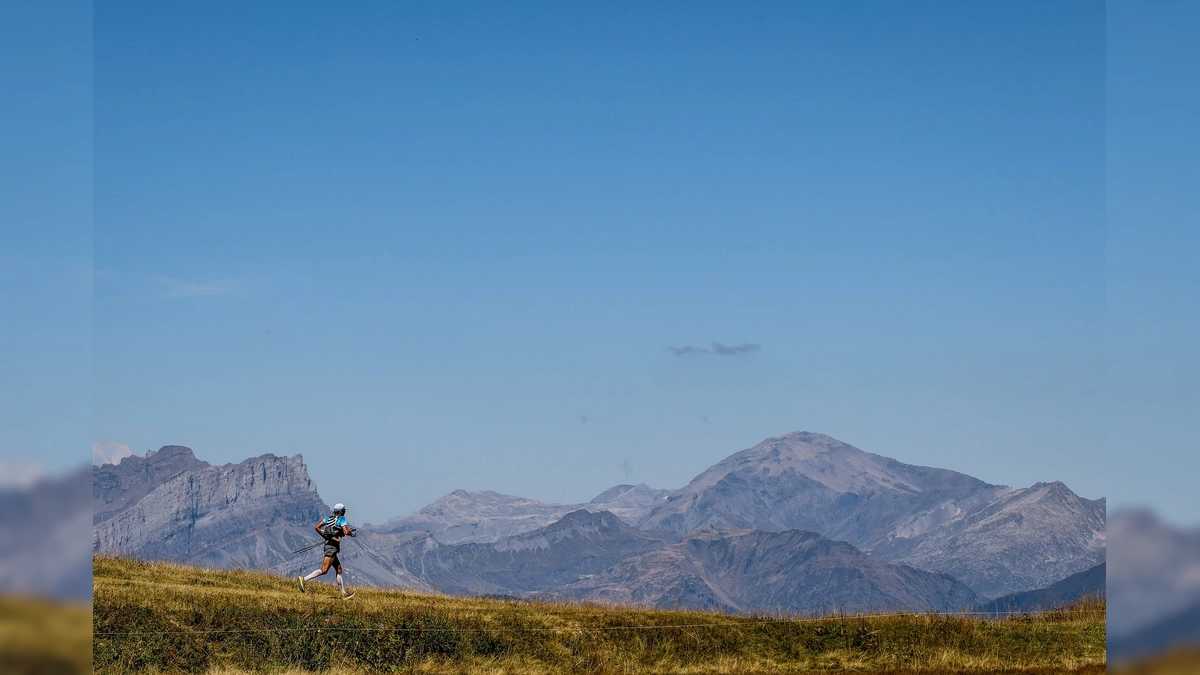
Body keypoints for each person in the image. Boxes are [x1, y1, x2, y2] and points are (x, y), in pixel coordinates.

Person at [298, 503, 355, 599]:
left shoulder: (328, 518)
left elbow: (317, 527)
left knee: (339, 569)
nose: (345, 512)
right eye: (344, 510)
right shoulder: (342, 519)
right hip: (331, 547)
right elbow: (346, 531)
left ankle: (343, 594)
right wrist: (352, 534)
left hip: (329, 545)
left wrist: (325, 536)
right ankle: (304, 579)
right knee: (324, 570)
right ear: (341, 512)